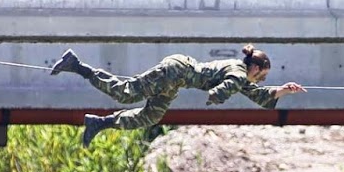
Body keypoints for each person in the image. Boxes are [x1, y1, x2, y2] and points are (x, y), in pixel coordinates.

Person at [53, 44, 307, 147]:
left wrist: (283, 91)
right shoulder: (238, 71)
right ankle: (76, 65)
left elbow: (260, 97)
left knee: (150, 116)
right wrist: (217, 95)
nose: (261, 80)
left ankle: (99, 122)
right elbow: (230, 84)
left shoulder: (241, 75)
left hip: (177, 80)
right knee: (127, 94)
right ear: (255, 68)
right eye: (262, 76)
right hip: (177, 70)